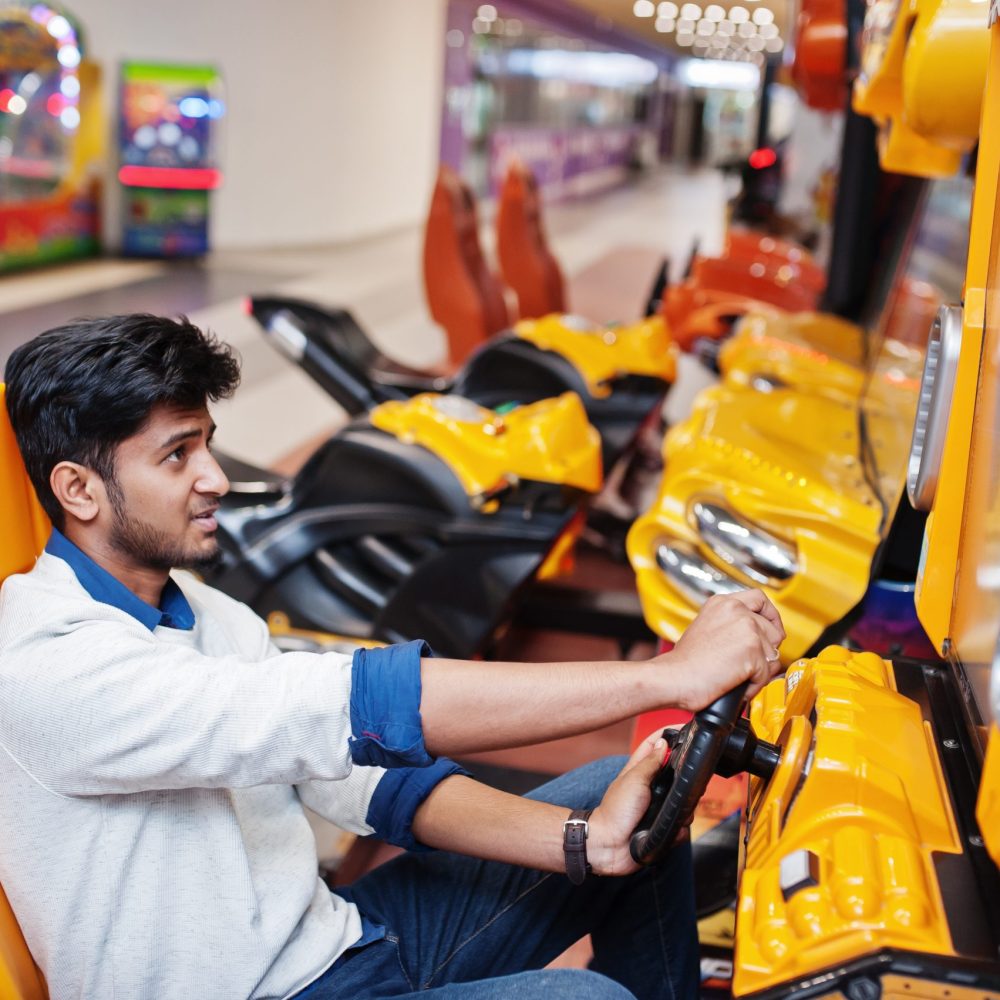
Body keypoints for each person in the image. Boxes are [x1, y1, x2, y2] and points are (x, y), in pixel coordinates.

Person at [0, 315, 786, 1000]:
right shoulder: (49, 665)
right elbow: (344, 708)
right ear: (79, 490)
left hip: (341, 943)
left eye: (206, 442)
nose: (215, 478)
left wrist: (585, 839)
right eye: (177, 456)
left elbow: (372, 784)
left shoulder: (210, 613)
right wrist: (666, 677)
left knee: (633, 801)